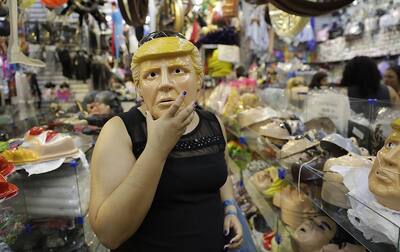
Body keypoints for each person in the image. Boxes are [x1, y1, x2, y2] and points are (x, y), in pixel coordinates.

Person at [89, 31, 243, 251]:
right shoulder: (118, 132)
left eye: (178, 71)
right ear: (139, 87)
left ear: (198, 79)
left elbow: (221, 173)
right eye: (151, 75)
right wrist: (157, 148)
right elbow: (109, 234)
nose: (165, 84)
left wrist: (230, 208)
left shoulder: (212, 123)